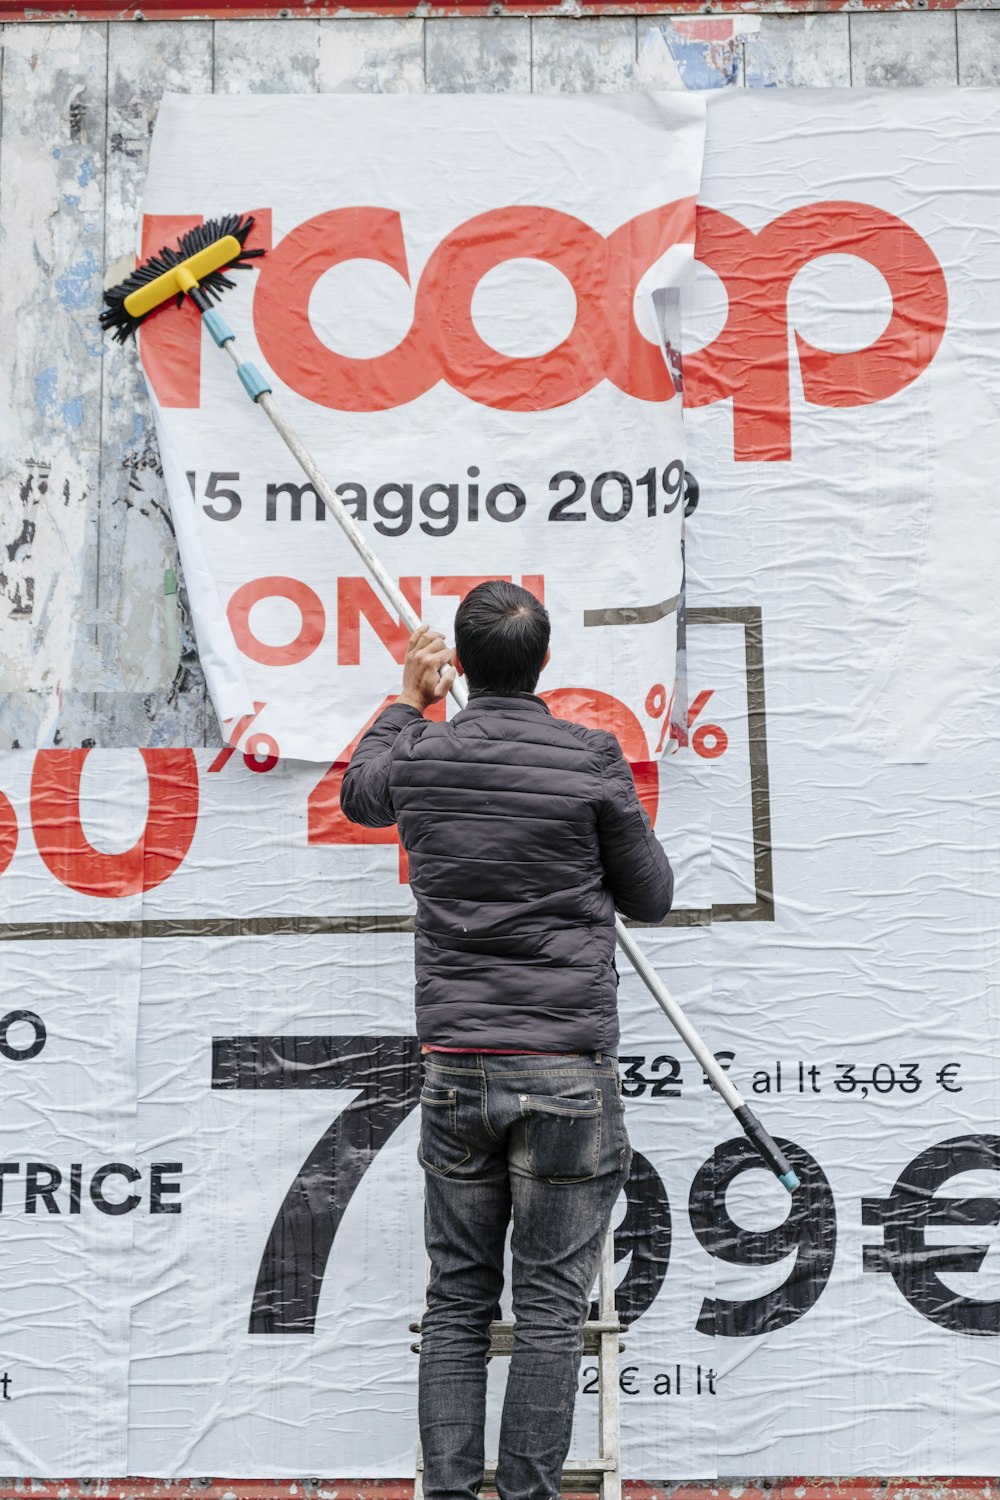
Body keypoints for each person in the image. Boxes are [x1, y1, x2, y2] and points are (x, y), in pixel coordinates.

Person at [341, 579, 674, 1500]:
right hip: (567, 1070)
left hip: (459, 1069)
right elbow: (651, 896)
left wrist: (407, 702)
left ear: (457, 662)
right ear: (544, 662)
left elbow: (361, 798)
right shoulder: (591, 758)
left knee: (456, 1303)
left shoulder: (423, 752)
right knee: (551, 1310)